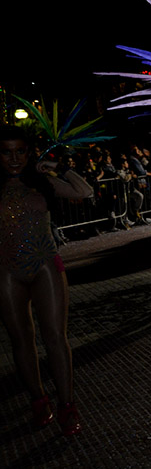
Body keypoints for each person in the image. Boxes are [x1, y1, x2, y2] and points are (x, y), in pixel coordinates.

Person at [0, 125, 93, 435]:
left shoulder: (42, 183)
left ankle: (68, 405)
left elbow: (85, 192)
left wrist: (58, 166)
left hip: (45, 267)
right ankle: (39, 400)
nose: (14, 158)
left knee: (55, 337)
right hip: (7, 272)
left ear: (28, 152)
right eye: (6, 152)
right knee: (21, 340)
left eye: (20, 151)